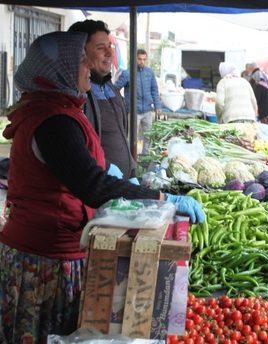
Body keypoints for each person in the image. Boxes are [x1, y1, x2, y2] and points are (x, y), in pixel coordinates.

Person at [0, 31, 204, 343]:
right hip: (44, 254)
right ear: (62, 71)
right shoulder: (54, 122)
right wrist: (159, 198)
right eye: (81, 61)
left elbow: (82, 174)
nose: (88, 67)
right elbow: (92, 186)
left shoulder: (55, 109)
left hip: (51, 244)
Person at [68, 20, 137, 182]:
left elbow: (121, 135)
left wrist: (132, 171)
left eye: (110, 46)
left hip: (121, 188)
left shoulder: (110, 87)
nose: (109, 53)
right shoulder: (76, 95)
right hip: (99, 188)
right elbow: (79, 150)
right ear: (81, 52)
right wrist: (106, 168)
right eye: (100, 48)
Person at [114, 49, 163, 155]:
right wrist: (122, 103)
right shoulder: (127, 73)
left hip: (147, 111)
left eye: (144, 59)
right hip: (133, 112)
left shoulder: (149, 72)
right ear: (135, 59)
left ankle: (145, 158)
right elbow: (115, 88)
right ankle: (131, 158)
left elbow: (154, 90)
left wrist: (157, 106)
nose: (142, 61)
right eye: (140, 59)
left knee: (148, 136)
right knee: (132, 137)